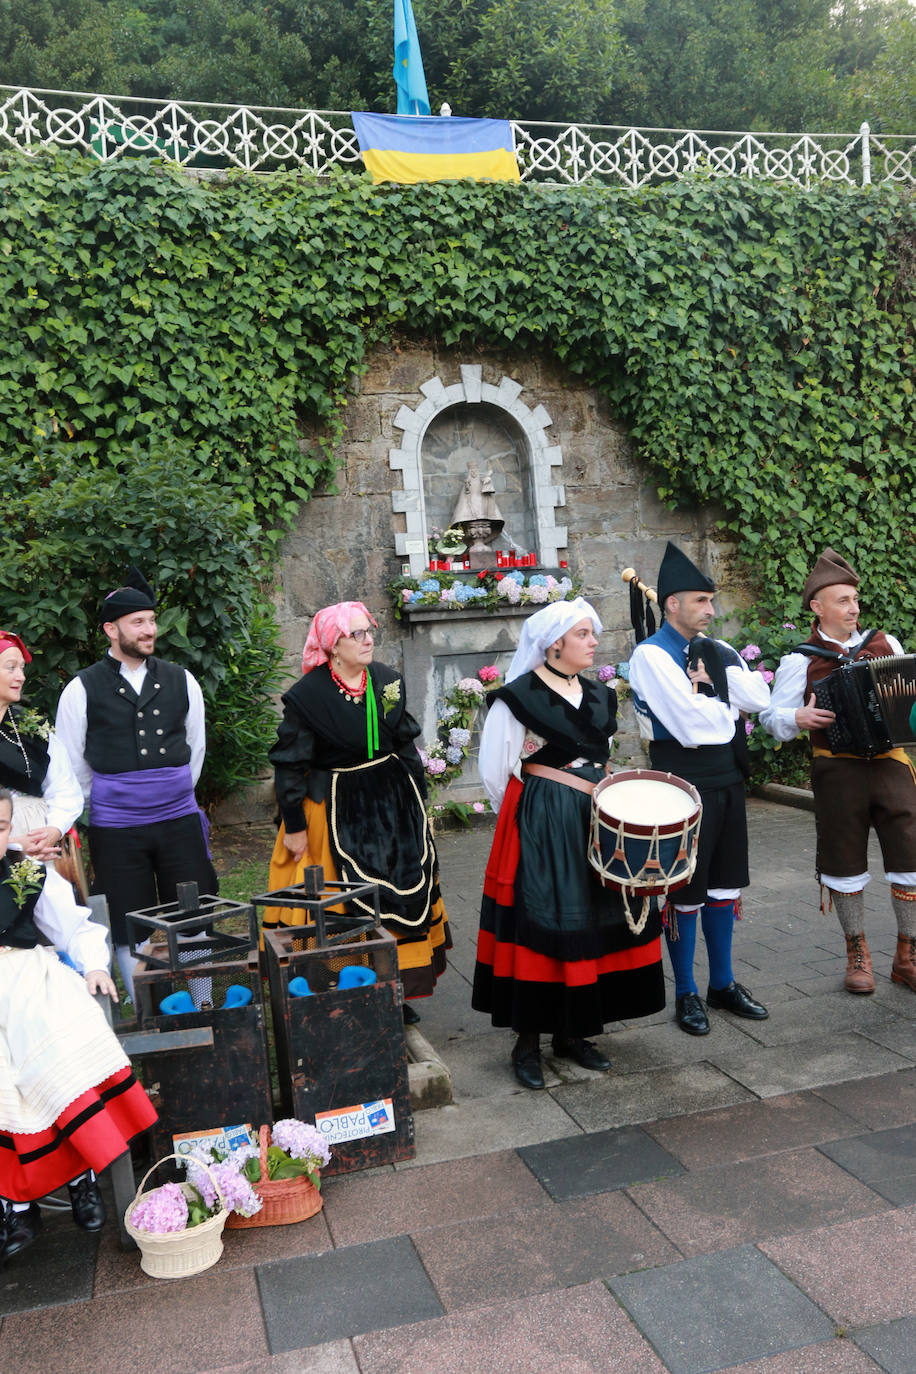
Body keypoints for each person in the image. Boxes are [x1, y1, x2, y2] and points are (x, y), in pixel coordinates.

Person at [471, 598, 665, 1090]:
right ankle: (527, 1042)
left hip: (596, 818)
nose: (593, 642)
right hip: (545, 822)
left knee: (593, 917)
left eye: (592, 634)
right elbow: (496, 772)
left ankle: (573, 1033)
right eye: (583, 634)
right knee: (546, 918)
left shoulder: (601, 696)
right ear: (555, 642)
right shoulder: (518, 697)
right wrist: (535, 811)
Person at [264, 602, 450, 1014]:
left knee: (399, 887)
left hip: (391, 802)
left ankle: (395, 989)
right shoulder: (307, 697)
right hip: (333, 806)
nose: (368, 640)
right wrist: (293, 825)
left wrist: (420, 806)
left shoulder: (386, 681)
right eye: (357, 634)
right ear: (333, 645)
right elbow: (290, 766)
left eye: (370, 631)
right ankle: (346, 988)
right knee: (340, 897)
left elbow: (405, 747)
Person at [0, 786, 157, 1262]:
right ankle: (18, 1202)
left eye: (3, 827)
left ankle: (80, 1179)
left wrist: (92, 965)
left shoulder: (25, 869)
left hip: (28, 973)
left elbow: (75, 925)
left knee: (50, 1045)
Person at [628, 543, 771, 1036]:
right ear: (672, 604)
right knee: (685, 890)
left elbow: (761, 696)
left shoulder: (719, 649)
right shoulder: (650, 655)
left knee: (725, 884)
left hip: (728, 779)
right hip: (683, 786)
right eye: (701, 602)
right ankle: (687, 991)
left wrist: (720, 687)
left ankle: (723, 984)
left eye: (712, 602)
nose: (711, 611)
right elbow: (694, 728)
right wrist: (727, 704)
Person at [55, 569, 217, 1003]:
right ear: (111, 629)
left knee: (195, 911)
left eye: (151, 620)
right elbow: (72, 764)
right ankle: (149, 1007)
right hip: (116, 827)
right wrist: (112, 804)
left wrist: (171, 792)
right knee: (130, 919)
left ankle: (202, 1000)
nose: (150, 630)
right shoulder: (80, 689)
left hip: (178, 819)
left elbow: (195, 749)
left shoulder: (182, 680)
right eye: (138, 622)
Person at [759, 547, 916, 994]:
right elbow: (772, 719)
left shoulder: (886, 646)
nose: (854, 608)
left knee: (911, 860)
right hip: (838, 772)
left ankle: (908, 955)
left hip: (891, 766)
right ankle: (857, 953)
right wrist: (797, 719)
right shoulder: (799, 660)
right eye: (844, 600)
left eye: (855, 599)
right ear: (817, 607)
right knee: (844, 864)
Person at [0, 629, 85, 925]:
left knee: (54, 926)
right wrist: (10, 842)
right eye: (11, 667)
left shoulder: (33, 731)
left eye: (22, 668)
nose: (21, 676)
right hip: (6, 840)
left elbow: (65, 788)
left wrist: (53, 829)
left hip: (40, 846)